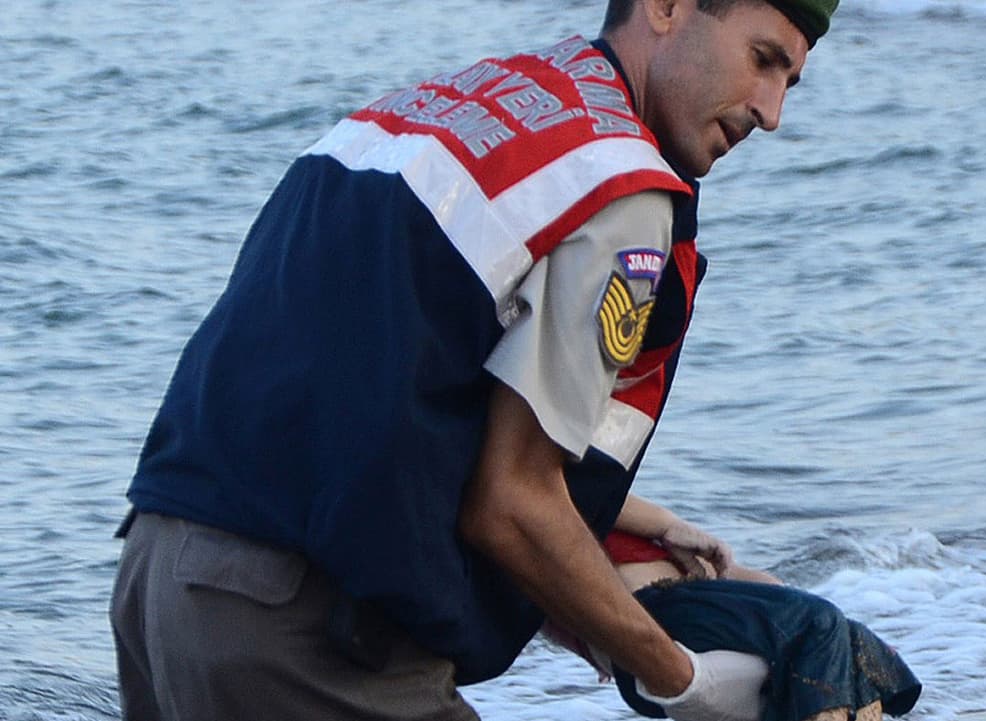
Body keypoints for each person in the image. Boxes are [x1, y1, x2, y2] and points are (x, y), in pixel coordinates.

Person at [109, 1, 839, 720]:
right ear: (667, 6)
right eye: (762, 59)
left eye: (789, 82)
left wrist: (631, 521)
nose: (770, 111)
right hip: (299, 626)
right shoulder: (621, 188)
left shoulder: (438, 109)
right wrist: (684, 680)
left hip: (158, 576)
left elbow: (395, 398)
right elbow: (511, 505)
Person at [545, 496, 922, 721]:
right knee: (823, 624)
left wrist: (796, 607)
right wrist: (670, 524)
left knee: (848, 640)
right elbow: (587, 489)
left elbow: (735, 578)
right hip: (648, 613)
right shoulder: (571, 501)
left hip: (692, 607)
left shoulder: (645, 534)